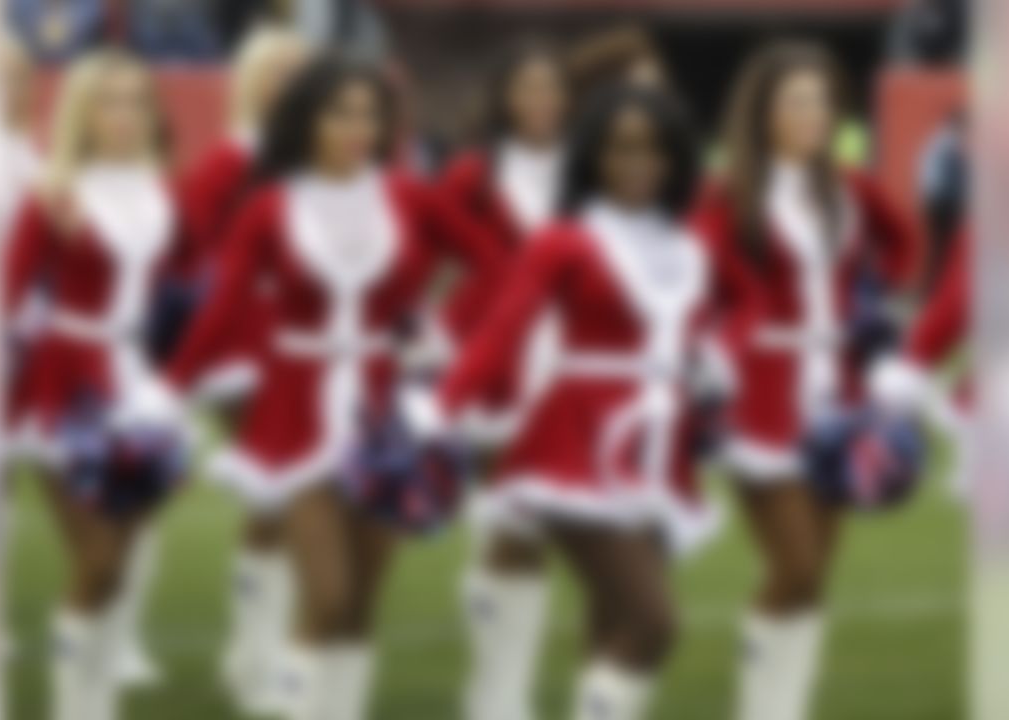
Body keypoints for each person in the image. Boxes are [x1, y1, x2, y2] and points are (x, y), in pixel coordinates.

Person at [165, 55, 504, 720]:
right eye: (340, 113)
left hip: (384, 411)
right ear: (307, 121)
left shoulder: (409, 196)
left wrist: (439, 329)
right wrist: (168, 390)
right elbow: (224, 308)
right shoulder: (268, 206)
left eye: (370, 115)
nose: (358, 127)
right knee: (328, 593)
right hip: (293, 409)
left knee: (359, 605)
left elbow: (497, 265)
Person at [407, 85, 759, 720]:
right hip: (574, 442)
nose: (638, 162)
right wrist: (442, 407)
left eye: (654, 149)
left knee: (614, 624)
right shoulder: (563, 240)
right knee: (656, 624)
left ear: (677, 159)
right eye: (620, 148)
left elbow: (722, 312)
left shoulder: (688, 244)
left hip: (659, 447)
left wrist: (714, 359)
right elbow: (502, 333)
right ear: (592, 157)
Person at [698, 40, 920, 720]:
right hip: (761, 392)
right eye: (796, 101)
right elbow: (690, 279)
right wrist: (715, 348)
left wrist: (877, 317)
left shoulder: (848, 186)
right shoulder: (728, 193)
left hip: (841, 393)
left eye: (822, 100)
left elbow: (905, 244)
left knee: (813, 578)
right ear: (761, 112)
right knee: (792, 569)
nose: (814, 114)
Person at [2, 49, 195, 720]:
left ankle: (99, 698)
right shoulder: (52, 193)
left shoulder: (160, 187)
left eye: (139, 99)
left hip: (137, 385)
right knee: (100, 561)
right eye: (111, 100)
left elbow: (179, 291)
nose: (128, 114)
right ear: (83, 113)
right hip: (66, 384)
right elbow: (5, 295)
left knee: (126, 560)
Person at [174, 26, 312, 713]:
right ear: (251, 81)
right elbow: (193, 247)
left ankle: (261, 652)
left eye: (298, 69)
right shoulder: (232, 159)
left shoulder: (323, 158)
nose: (285, 81)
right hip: (244, 343)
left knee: (296, 500)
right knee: (275, 497)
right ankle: (258, 657)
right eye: (273, 70)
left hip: (309, 343)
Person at [434, 40, 571, 720]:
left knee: (538, 529)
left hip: (574, 363)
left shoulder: (589, 166)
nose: (540, 101)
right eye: (527, 88)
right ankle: (497, 695)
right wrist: (446, 329)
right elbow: (434, 252)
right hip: (502, 364)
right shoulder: (473, 175)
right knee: (508, 524)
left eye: (551, 88)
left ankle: (499, 686)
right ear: (504, 99)